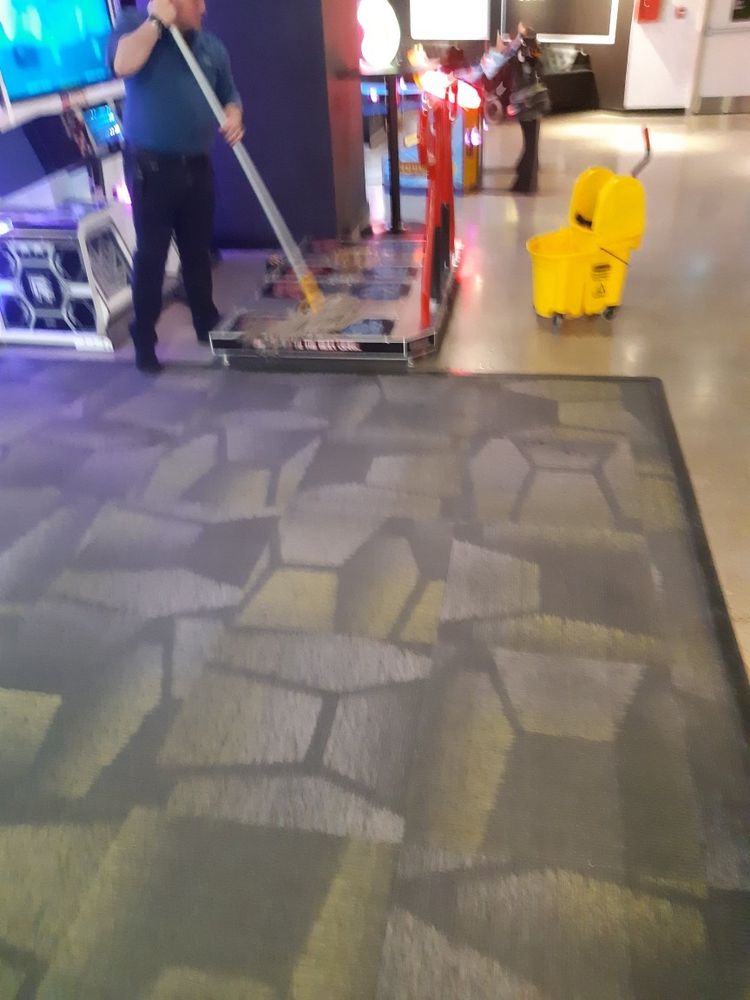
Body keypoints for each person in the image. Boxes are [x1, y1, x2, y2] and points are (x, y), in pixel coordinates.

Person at [108, 0, 244, 373]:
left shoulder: (211, 46)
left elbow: (229, 94)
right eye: (195, 0)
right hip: (151, 169)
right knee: (151, 258)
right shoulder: (135, 25)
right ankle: (144, 339)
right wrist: (155, 23)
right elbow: (123, 64)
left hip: (197, 166)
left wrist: (233, 115)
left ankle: (206, 321)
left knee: (198, 251)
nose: (203, 8)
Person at [475, 25, 549, 194]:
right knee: (531, 143)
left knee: (531, 144)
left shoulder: (523, 54)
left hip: (528, 104)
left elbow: (501, 71)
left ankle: (525, 181)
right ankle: (525, 181)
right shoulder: (530, 53)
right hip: (532, 103)